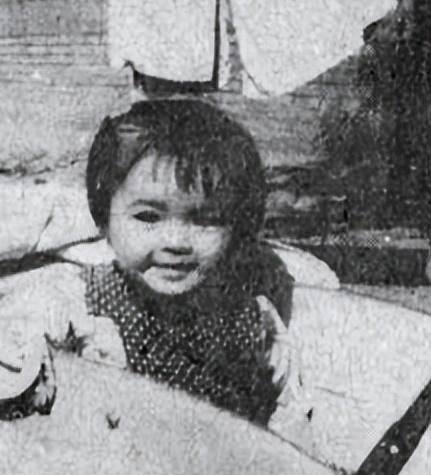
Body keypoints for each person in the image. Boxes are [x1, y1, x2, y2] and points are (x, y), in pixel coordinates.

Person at [57, 97, 298, 426]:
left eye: (205, 220)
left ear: (236, 228)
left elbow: (279, 417)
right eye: (148, 217)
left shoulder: (246, 321)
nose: (176, 242)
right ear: (105, 223)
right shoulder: (83, 303)